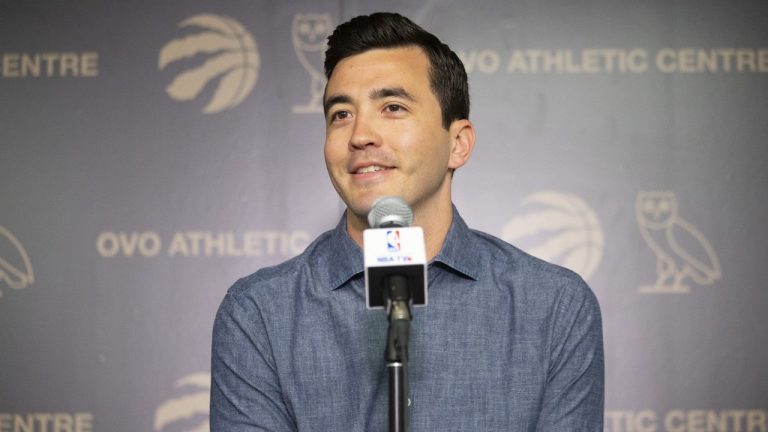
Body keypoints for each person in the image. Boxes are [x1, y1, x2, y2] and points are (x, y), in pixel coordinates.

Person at [211, 12, 604, 431]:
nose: (360, 134)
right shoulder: (258, 314)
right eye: (341, 114)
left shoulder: (555, 307)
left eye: (392, 107)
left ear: (458, 144)